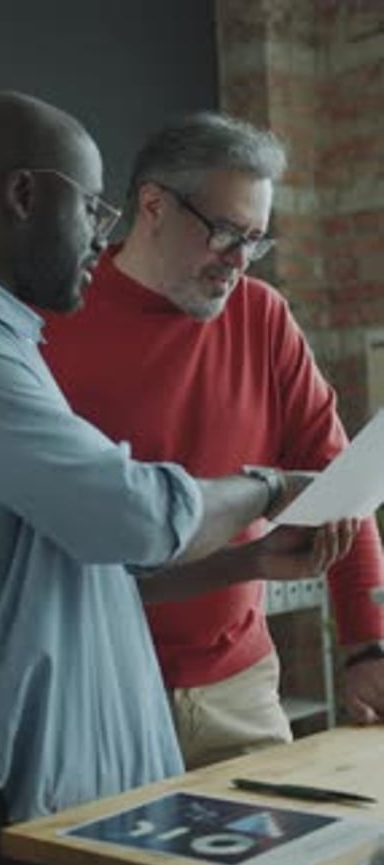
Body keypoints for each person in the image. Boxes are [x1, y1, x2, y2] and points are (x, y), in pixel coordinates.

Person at [0, 93, 355, 865]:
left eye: (255, 241)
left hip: (108, 774)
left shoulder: (0, 336)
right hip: (0, 811)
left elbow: (80, 567)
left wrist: (247, 566)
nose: (101, 237)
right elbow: (130, 516)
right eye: (92, 207)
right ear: (25, 195)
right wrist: (268, 487)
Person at [41, 110, 384, 772]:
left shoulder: (262, 315)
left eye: (256, 241)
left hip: (241, 687)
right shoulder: (50, 321)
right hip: (96, 687)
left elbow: (336, 480)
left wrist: (368, 644)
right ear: (153, 206)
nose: (239, 263)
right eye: (227, 234)